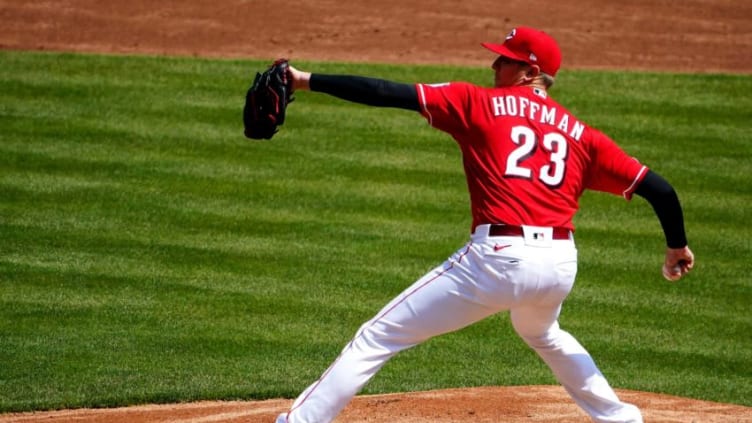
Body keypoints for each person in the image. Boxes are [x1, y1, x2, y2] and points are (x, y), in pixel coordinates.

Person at [272, 26, 695, 423]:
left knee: (378, 336)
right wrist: (677, 247)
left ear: (531, 72)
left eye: (505, 61)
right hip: (560, 265)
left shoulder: (477, 102)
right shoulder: (582, 135)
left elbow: (386, 92)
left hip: (498, 260)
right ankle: (621, 418)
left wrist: (305, 79)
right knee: (542, 331)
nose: (494, 66)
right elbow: (659, 189)